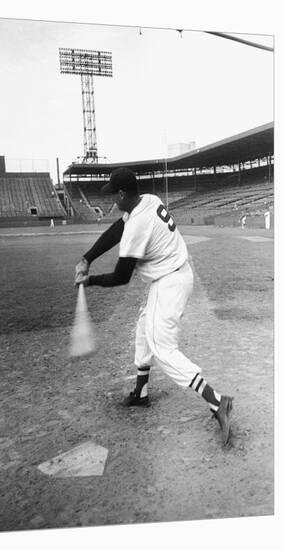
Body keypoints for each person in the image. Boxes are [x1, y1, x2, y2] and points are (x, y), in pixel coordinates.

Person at [74, 168, 233, 445]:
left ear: (123, 194)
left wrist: (89, 282)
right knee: (142, 330)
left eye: (114, 196)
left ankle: (217, 401)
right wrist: (88, 257)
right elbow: (118, 228)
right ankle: (142, 392)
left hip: (168, 283)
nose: (113, 202)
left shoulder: (138, 224)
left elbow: (121, 277)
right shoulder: (148, 199)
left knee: (163, 348)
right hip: (173, 276)